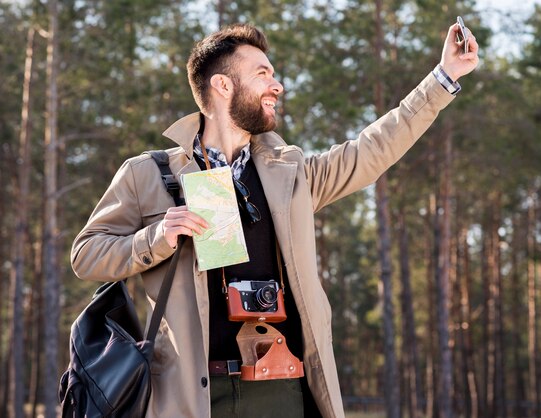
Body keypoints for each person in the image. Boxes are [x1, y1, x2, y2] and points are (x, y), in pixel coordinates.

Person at [71, 20, 479, 418]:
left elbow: (372, 149)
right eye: (262, 73)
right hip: (189, 398)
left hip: (283, 391)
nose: (277, 85)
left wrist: (443, 78)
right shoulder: (148, 174)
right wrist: (158, 237)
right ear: (223, 85)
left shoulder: (292, 172)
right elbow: (86, 255)